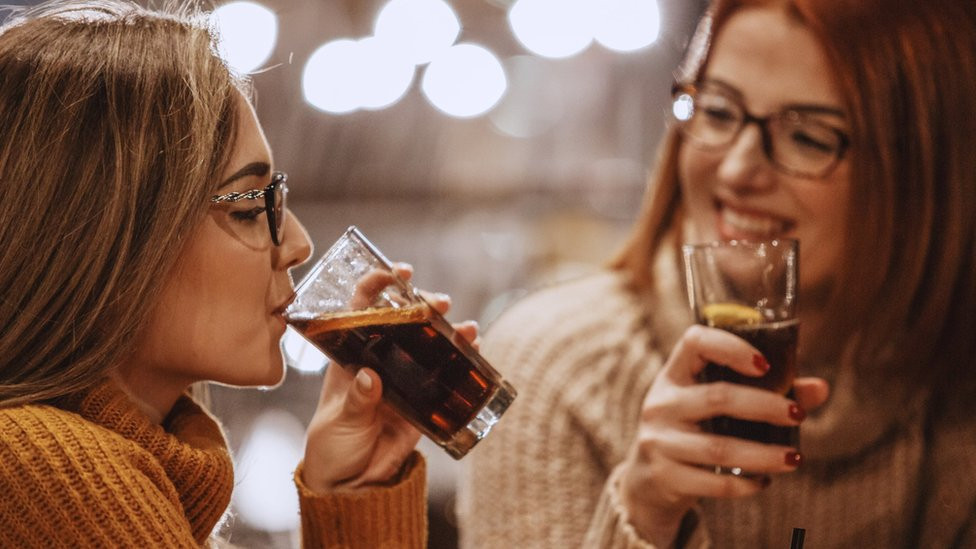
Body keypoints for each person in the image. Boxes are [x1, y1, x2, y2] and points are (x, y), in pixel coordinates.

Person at [458, 0, 976, 547]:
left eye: (808, 136)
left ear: (924, 173)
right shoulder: (553, 363)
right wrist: (642, 514)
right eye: (720, 112)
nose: (736, 169)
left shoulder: (956, 399)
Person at [0, 1, 479, 546]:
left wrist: (351, 497)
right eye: (251, 209)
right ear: (105, 232)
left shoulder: (119, 469)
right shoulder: (51, 464)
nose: (298, 244)